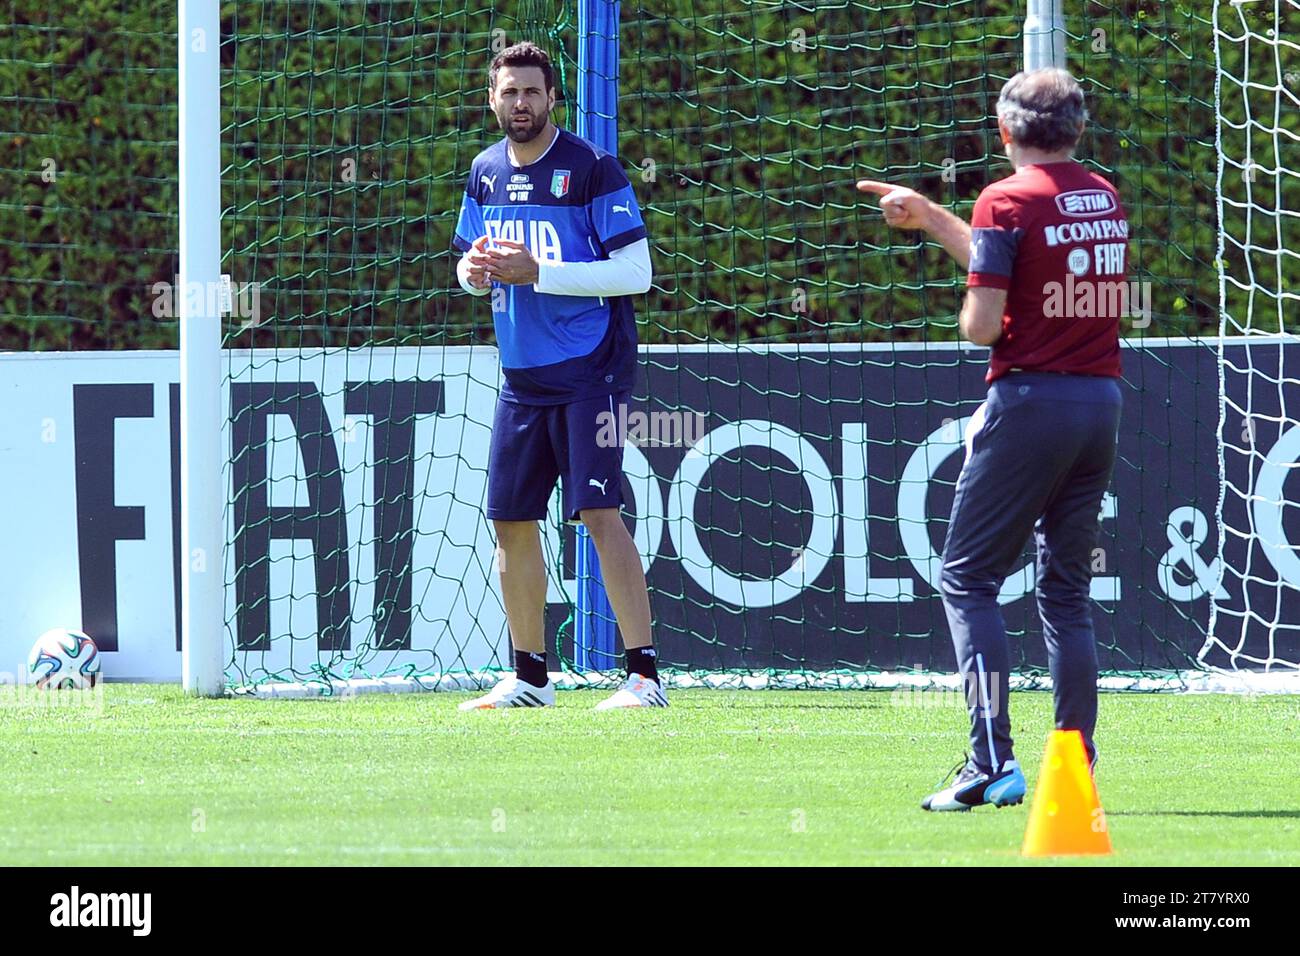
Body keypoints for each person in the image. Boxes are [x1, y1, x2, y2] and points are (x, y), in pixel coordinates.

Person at [858, 68, 1128, 810]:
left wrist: (973, 295)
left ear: (1004, 132)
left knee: (967, 578)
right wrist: (937, 219)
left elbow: (983, 321)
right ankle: (1074, 767)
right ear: (1076, 129)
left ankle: (990, 762)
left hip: (1030, 400)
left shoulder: (1005, 199)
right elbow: (1031, 262)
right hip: (1098, 402)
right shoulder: (1101, 196)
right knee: (1066, 594)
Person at [452, 42, 666, 710]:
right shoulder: (484, 173)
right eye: (508, 92)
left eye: (531, 92)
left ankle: (644, 677)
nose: (520, 103)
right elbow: (465, 264)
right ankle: (530, 677)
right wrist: (475, 272)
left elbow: (638, 274)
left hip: (589, 371)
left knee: (599, 512)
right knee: (510, 521)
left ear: (553, 99)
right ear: (492, 99)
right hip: (522, 376)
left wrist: (537, 272)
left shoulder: (591, 169)